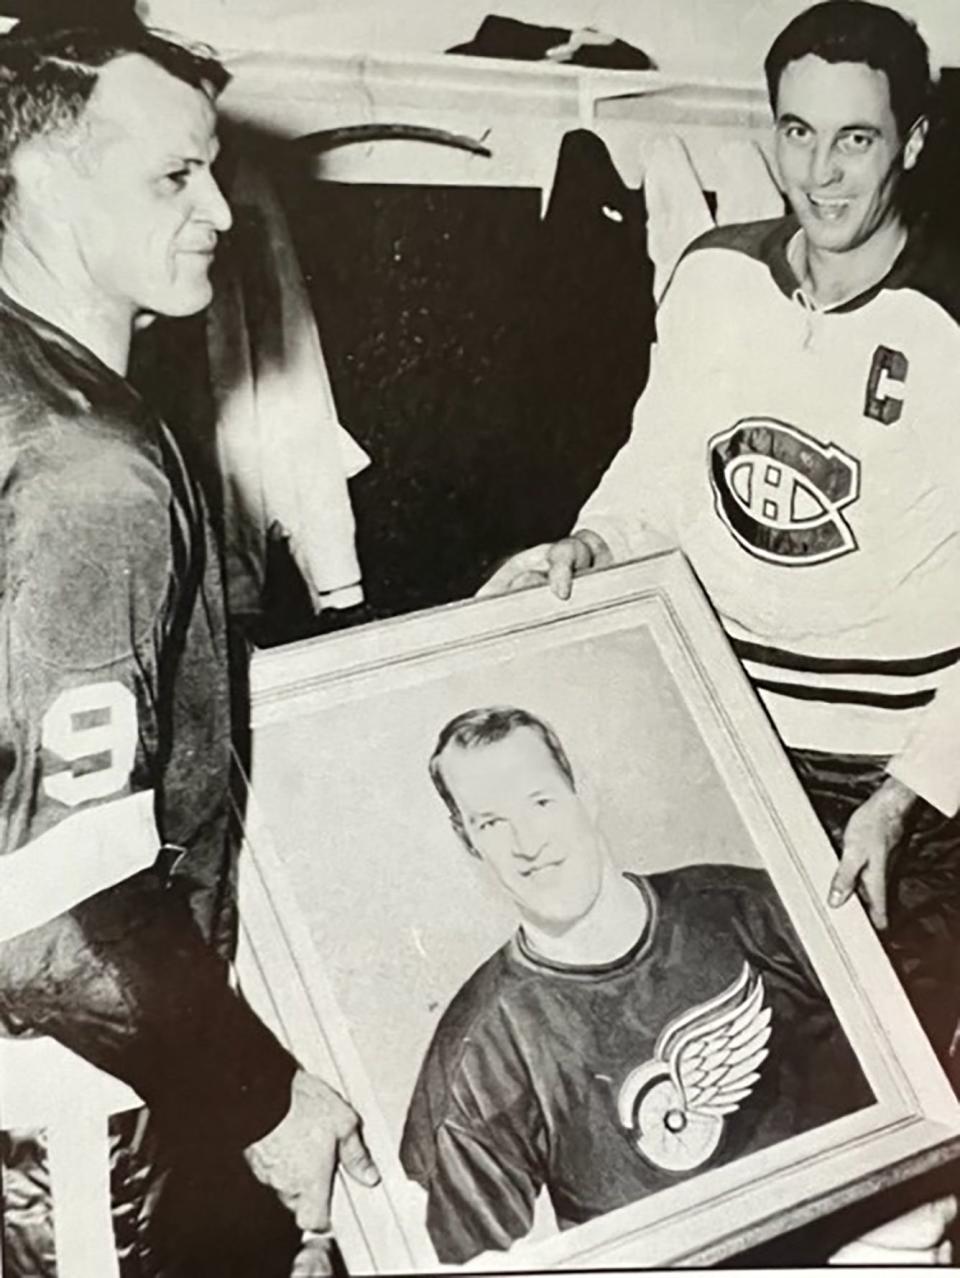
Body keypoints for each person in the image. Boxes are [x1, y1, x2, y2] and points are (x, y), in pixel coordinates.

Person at [481, 0, 960, 1090]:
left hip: (899, 782)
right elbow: (659, 480)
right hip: (724, 744)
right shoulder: (713, 274)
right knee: (717, 1086)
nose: (822, 174)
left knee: (889, 1105)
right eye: (798, 132)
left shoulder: (947, 317)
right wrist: (588, 546)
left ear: (914, 142)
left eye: (858, 139)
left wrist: (913, 792)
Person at [0, 20, 377, 1277]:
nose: (220, 207)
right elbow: (50, 907)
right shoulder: (83, 469)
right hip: (73, 1107)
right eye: (174, 176)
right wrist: (267, 1098)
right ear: (42, 177)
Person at [400, 705, 873, 1264]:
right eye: (491, 823)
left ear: (587, 796)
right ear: (467, 841)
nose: (526, 842)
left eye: (541, 802)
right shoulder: (478, 1046)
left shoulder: (755, 910)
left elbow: (925, 1069)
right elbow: (468, 1259)